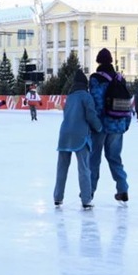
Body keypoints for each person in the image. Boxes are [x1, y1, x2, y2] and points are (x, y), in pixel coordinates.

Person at [54, 69, 103, 209]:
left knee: (61, 167)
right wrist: (99, 128)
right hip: (80, 136)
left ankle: (58, 197)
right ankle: (86, 199)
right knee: (84, 168)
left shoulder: (70, 97)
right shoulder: (86, 96)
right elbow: (91, 116)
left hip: (64, 135)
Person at [88, 48, 131, 203]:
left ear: (98, 61)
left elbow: (97, 102)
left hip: (101, 126)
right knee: (115, 158)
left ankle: (89, 191)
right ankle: (123, 189)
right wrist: (126, 123)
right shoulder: (120, 78)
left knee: (94, 159)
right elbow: (127, 102)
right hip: (118, 125)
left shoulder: (96, 78)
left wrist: (95, 124)